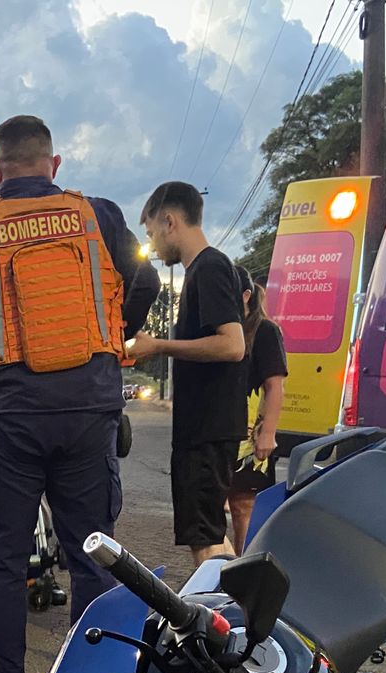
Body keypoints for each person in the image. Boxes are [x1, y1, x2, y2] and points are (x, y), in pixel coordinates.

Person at [0, 114, 158, 673]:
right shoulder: (97, 215)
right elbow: (147, 281)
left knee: (2, 557)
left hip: (9, 413)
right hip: (88, 407)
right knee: (92, 551)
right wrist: (112, 334)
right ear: (55, 165)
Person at [127, 181, 247, 565]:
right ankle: (234, 614)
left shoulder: (210, 268)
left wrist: (159, 346)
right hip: (209, 428)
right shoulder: (206, 269)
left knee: (205, 539)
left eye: (151, 234)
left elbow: (232, 345)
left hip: (208, 429)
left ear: (169, 221)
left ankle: (215, 621)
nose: (154, 246)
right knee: (211, 533)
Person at [227, 266, 288, 551]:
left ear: (246, 296)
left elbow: (275, 386)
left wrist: (268, 434)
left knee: (243, 506)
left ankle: (242, 568)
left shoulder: (266, 331)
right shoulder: (224, 331)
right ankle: (220, 569)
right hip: (221, 434)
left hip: (251, 437)